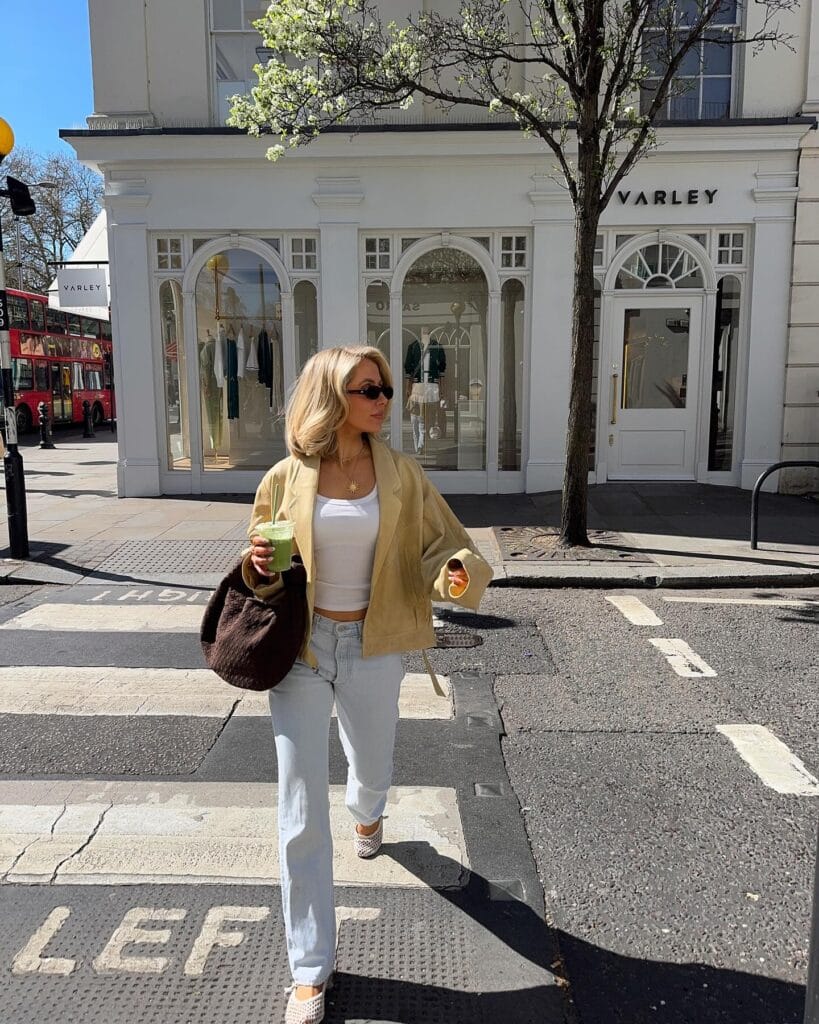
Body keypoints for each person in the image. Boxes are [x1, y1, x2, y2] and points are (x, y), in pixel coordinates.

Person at [243, 345, 492, 1024]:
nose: (384, 400)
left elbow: (443, 545)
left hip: (374, 644)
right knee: (299, 810)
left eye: (384, 389)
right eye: (369, 390)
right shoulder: (285, 477)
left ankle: (368, 811)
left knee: (373, 767)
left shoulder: (401, 474)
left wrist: (456, 573)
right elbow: (259, 569)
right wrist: (257, 565)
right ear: (334, 397)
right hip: (302, 648)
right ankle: (309, 970)